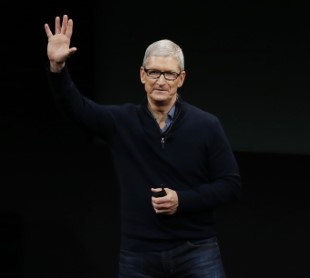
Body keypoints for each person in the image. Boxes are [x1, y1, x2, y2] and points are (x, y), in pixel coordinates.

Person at [44, 14, 242, 278]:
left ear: (181, 78)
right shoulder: (121, 121)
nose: (161, 81)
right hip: (139, 253)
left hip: (196, 249)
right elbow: (77, 109)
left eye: (169, 74)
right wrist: (58, 69)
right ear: (142, 75)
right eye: (154, 72)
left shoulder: (206, 125)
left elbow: (230, 185)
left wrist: (182, 200)